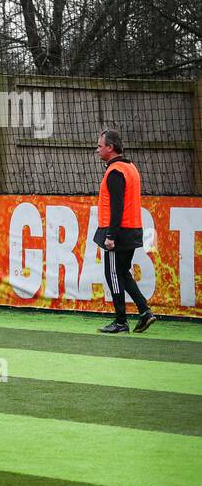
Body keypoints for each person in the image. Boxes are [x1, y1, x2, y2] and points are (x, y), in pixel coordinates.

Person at [94, 129, 156, 334]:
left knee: (112, 274)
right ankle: (144, 312)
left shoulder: (114, 172)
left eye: (100, 146)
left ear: (110, 148)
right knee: (122, 272)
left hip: (117, 233)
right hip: (131, 230)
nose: (97, 150)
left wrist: (110, 236)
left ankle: (121, 321)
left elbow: (117, 206)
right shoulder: (130, 167)